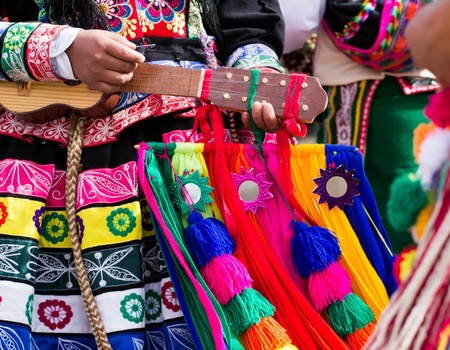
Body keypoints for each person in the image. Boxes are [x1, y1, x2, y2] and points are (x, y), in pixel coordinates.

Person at [0, 0, 286, 348]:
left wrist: (259, 77)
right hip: (42, 152)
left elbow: (246, 24)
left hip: (185, 162)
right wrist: (60, 50)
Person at [279, 0, 440, 254]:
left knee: (362, 233)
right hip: (435, 96)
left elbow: (294, 25)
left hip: (362, 100)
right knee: (427, 218)